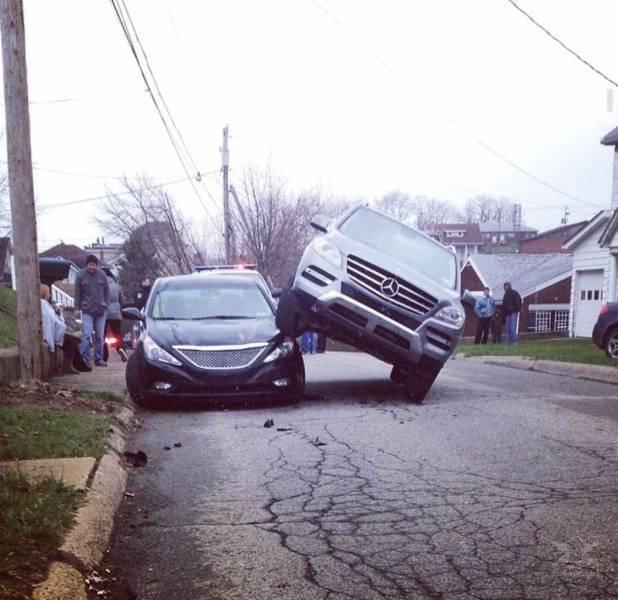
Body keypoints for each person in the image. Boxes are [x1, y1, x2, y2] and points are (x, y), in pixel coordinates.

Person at [74, 254, 109, 367]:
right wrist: (77, 308)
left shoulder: (102, 275)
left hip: (100, 310)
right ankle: (84, 358)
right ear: (87, 264)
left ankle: (99, 358)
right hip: (87, 310)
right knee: (86, 334)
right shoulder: (80, 275)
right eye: (90, 265)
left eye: (94, 265)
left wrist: (106, 304)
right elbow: (77, 293)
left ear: (97, 265)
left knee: (100, 336)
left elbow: (107, 291)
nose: (92, 267)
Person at [103, 267, 128, 362]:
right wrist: (119, 309)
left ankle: (104, 356)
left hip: (104, 312)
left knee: (102, 335)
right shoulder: (116, 283)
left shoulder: (101, 284)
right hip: (116, 312)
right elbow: (122, 299)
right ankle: (121, 348)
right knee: (117, 334)